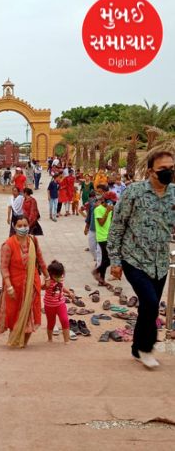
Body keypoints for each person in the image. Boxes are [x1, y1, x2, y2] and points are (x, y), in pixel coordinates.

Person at [107, 150, 175, 369]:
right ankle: (147, 348)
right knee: (151, 303)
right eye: (163, 169)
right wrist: (115, 261)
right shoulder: (134, 192)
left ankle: (137, 348)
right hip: (134, 259)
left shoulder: (174, 194)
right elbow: (117, 225)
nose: (169, 173)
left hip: (161, 263)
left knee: (148, 307)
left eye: (172, 168)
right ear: (150, 171)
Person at [0, 215, 49, 348]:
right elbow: (4, 267)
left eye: (25, 225)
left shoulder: (33, 240)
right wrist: (9, 286)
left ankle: (23, 341)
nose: (23, 228)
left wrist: (47, 277)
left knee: (30, 311)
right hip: (15, 285)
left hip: (32, 284)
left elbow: (40, 260)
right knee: (14, 312)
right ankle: (15, 338)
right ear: (14, 227)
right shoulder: (8, 245)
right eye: (19, 226)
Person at [42, 260, 76, 344]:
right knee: (51, 323)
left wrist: (68, 292)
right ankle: (50, 339)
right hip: (49, 305)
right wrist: (45, 284)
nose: (60, 277)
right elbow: (42, 287)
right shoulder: (48, 281)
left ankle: (66, 340)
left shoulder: (59, 278)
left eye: (61, 275)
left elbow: (61, 287)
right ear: (51, 274)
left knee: (65, 320)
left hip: (60, 304)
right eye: (58, 276)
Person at [92, 191, 118, 287]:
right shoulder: (98, 209)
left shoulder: (110, 209)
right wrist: (107, 211)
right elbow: (101, 223)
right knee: (108, 259)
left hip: (109, 236)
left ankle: (101, 280)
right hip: (102, 237)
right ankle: (96, 271)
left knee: (105, 259)